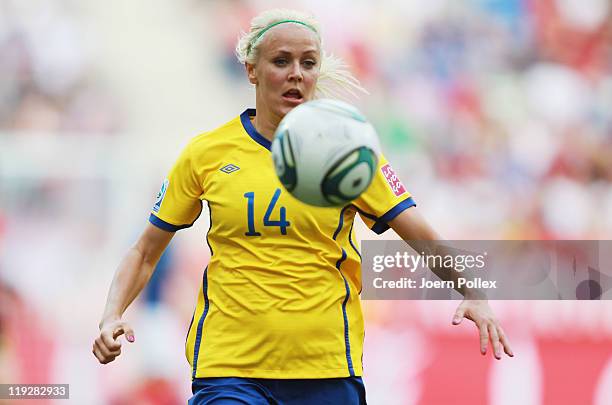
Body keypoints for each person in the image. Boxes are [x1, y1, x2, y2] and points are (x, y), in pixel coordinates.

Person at [93, 9, 513, 405]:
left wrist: (473, 292)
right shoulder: (207, 154)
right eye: (281, 60)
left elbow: (421, 235)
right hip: (229, 365)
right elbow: (146, 250)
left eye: (308, 63)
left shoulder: (347, 150)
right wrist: (112, 313)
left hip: (325, 365)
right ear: (251, 69)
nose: (296, 73)